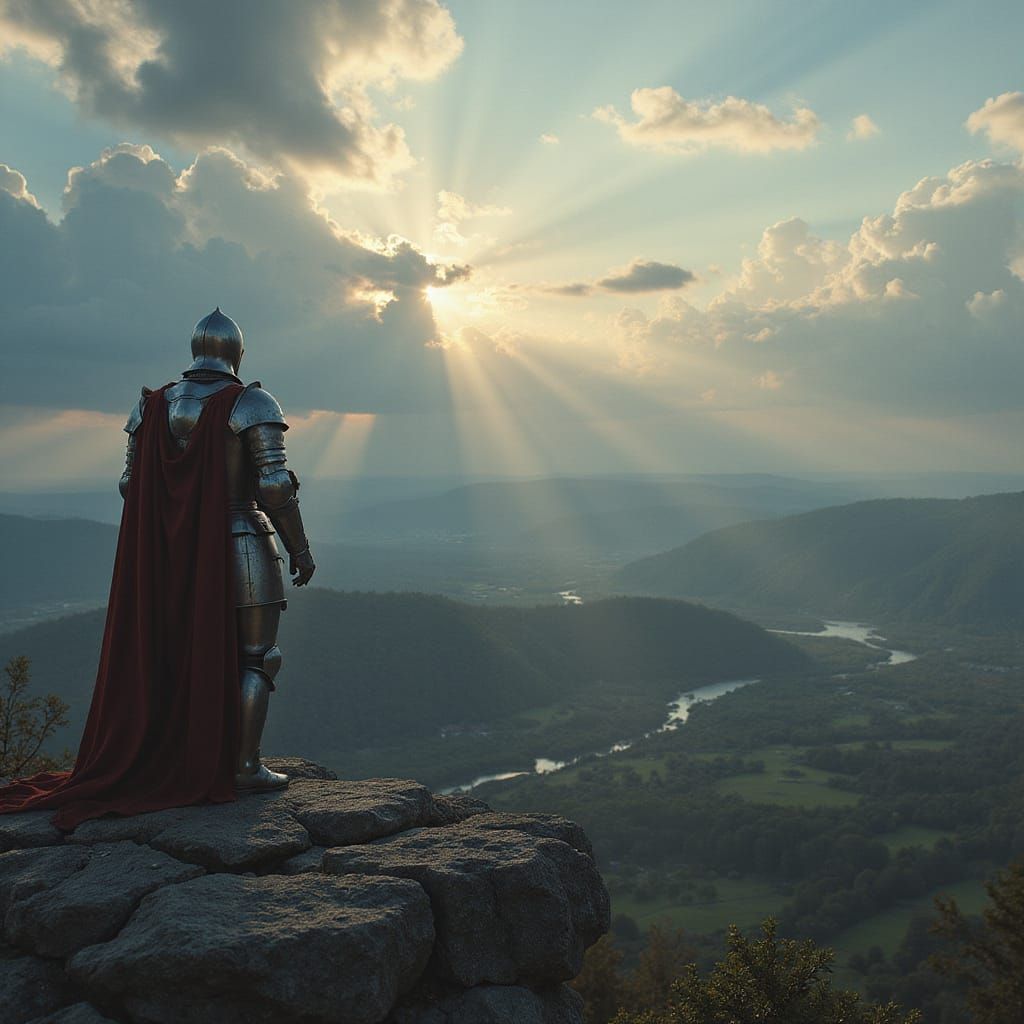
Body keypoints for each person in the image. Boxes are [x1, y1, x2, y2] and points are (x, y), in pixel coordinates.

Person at [0, 309, 315, 828]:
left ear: (196, 350)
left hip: (169, 554)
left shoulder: (150, 406)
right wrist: (299, 548)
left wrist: (174, 525)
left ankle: (179, 754)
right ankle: (243, 767)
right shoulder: (251, 402)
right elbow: (276, 486)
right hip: (241, 544)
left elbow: (131, 486)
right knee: (258, 658)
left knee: (169, 650)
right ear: (237, 353)